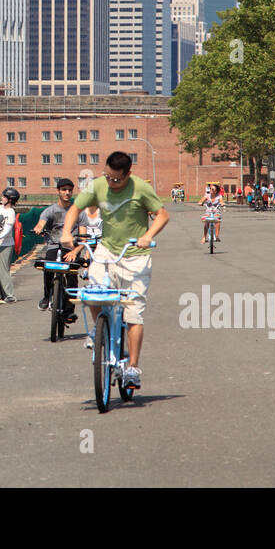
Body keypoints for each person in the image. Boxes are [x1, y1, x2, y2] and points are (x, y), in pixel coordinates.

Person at [60, 151, 169, 390]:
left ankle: (132, 367)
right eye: (108, 177)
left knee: (133, 313)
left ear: (128, 174)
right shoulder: (98, 185)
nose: (111, 183)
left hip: (135, 257)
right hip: (107, 251)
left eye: (117, 179)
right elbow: (74, 209)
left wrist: (147, 236)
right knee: (93, 292)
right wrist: (67, 232)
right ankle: (99, 328)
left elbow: (162, 215)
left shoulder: (140, 188)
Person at [34, 178, 78, 319]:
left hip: (71, 248)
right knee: (48, 266)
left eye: (70, 190)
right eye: (64, 190)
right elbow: (41, 223)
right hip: (54, 245)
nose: (67, 193)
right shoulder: (50, 210)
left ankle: (70, 308)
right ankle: (47, 297)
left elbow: (83, 229)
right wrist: (39, 228)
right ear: (58, 191)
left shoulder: (77, 210)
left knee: (72, 275)